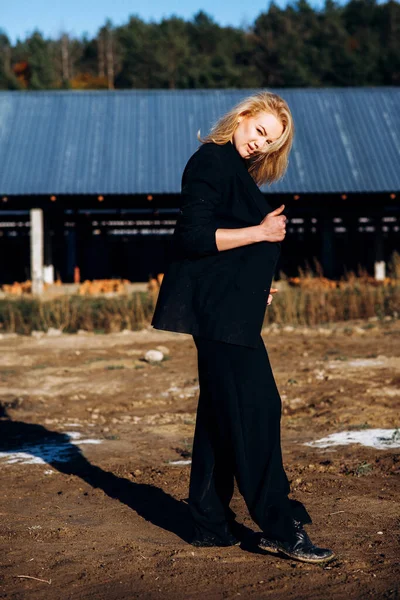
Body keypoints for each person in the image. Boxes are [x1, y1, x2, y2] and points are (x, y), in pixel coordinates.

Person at [151, 91, 335, 564]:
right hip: (217, 315)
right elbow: (192, 237)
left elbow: (223, 249)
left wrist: (255, 286)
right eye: (259, 132)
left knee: (219, 414)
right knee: (257, 407)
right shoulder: (209, 162)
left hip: (228, 307)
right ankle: (278, 525)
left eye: (270, 142)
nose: (260, 145)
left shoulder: (233, 167)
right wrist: (261, 232)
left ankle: (209, 522)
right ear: (244, 115)